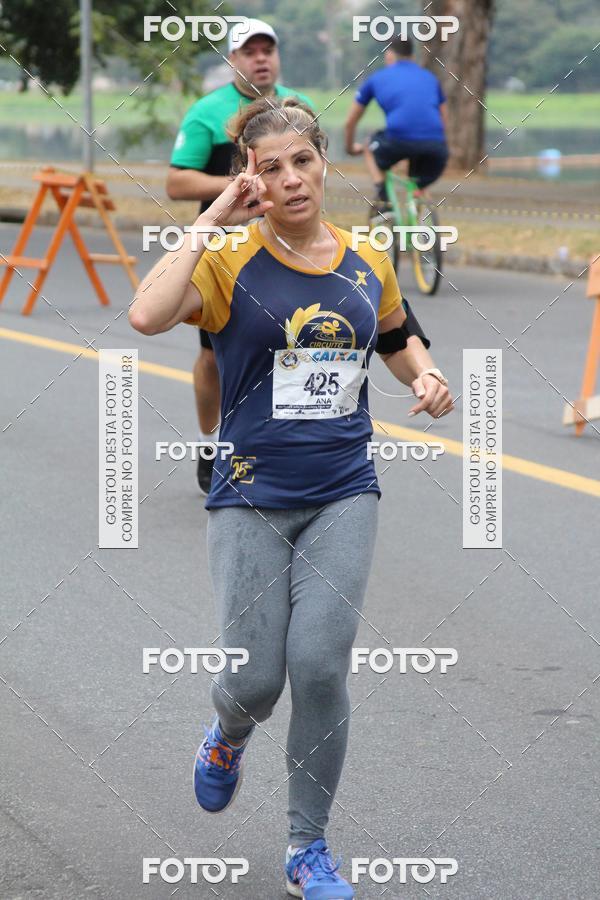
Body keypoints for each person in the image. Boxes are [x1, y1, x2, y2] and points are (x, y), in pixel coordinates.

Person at [130, 96, 453, 900]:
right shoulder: (227, 259)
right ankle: (227, 732)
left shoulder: (365, 256)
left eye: (301, 161)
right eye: (268, 167)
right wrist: (212, 216)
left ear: (322, 164)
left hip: (345, 487)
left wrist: (427, 376)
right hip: (249, 494)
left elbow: (393, 336)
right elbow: (144, 314)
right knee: (253, 682)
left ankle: (307, 850)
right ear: (251, 177)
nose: (289, 178)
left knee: (317, 669)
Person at [166, 18, 312, 493]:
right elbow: (177, 182)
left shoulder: (296, 108)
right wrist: (236, 190)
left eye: (268, 49)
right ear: (233, 60)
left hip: (286, 243)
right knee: (214, 358)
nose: (261, 59)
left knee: (288, 342)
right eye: (250, 52)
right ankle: (212, 444)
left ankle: (282, 447)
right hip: (227, 247)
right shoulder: (207, 112)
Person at [344, 35, 449, 203]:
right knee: (417, 185)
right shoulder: (430, 78)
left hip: (398, 141)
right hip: (437, 150)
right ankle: (420, 218)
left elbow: (350, 122)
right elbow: (444, 118)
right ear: (411, 56)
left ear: (389, 55)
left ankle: (382, 196)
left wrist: (350, 148)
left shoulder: (377, 78)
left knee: (369, 145)